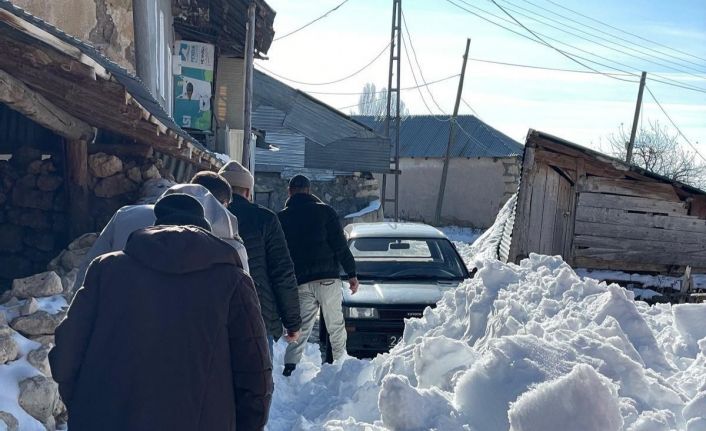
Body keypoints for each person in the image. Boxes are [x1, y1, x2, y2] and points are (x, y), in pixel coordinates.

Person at [49, 194, 272, 431]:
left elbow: (65, 357)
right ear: (206, 231)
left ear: (154, 226)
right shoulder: (233, 281)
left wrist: (87, 409)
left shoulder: (106, 270)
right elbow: (255, 375)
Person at [73, 173, 249, 291]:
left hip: (121, 330)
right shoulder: (230, 243)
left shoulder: (126, 216)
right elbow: (245, 307)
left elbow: (88, 274)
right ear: (224, 204)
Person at [277, 174, 358, 376]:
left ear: (289, 192)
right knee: (335, 326)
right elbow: (339, 245)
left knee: (301, 327)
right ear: (309, 190)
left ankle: (290, 368)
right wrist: (352, 273)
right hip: (327, 279)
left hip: (301, 282)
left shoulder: (281, 218)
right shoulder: (325, 212)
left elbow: (279, 254)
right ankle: (340, 368)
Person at [219, 161, 301, 357]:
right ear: (248, 191)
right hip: (258, 314)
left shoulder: (204, 217)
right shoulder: (265, 219)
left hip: (215, 314)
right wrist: (292, 322)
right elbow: (282, 273)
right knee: (259, 381)